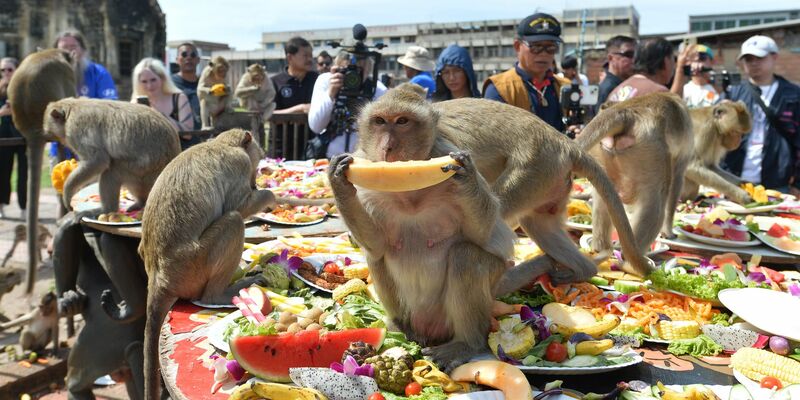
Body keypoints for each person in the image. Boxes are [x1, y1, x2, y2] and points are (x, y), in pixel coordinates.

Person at [722, 35, 800, 195]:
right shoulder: (732, 93)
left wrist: (798, 184)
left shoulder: (793, 95)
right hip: (733, 181)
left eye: (759, 57)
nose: (754, 63)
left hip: (777, 183)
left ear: (774, 57)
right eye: (748, 59)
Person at [483, 12, 565, 132]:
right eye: (536, 47)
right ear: (517, 46)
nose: (543, 53)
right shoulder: (500, 88)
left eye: (550, 47)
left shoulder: (564, 85)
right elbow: (494, 137)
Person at [50, 30, 118, 165]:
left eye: (73, 47)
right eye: (64, 48)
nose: (69, 52)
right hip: (60, 146)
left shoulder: (98, 73)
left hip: (94, 146)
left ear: (83, 50)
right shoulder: (51, 76)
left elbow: (110, 106)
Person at [308, 51, 388, 158]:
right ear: (338, 67)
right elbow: (316, 126)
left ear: (368, 68)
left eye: (359, 71)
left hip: (361, 159)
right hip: (328, 157)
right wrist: (331, 93)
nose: (353, 77)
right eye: (348, 70)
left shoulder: (376, 89)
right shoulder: (327, 80)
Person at [608, 37, 691, 102]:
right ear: (665, 61)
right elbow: (675, 112)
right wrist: (680, 69)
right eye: (674, 59)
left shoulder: (615, 91)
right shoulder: (658, 93)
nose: (674, 65)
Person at [131, 58, 193, 137]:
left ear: (162, 78)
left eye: (153, 80)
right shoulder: (134, 104)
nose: (149, 86)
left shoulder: (179, 98)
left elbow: (188, 134)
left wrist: (158, 113)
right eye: (144, 81)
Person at [0, 57, 26, 219]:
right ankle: (1, 206)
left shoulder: (25, 89)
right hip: (3, 135)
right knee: (2, 172)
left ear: (17, 69)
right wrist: (2, 113)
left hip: (23, 134)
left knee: (25, 175)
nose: (6, 73)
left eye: (9, 69)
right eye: (3, 70)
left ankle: (25, 208)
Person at [272, 36, 318, 115]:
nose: (310, 59)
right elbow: (269, 113)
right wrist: (300, 109)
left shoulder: (317, 79)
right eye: (305, 56)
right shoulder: (274, 82)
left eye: (311, 56)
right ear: (290, 58)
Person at [171, 42, 203, 148]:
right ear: (177, 59)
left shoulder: (206, 84)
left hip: (205, 141)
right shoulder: (169, 84)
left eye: (193, 55)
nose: (188, 58)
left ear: (198, 60)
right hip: (178, 145)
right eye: (184, 54)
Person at [597, 35, 636, 108]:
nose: (633, 60)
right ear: (610, 58)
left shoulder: (624, 85)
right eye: (629, 55)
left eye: (636, 55)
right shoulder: (608, 88)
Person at [681, 44, 719, 108]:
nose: (697, 63)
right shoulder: (684, 89)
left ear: (712, 62)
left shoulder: (716, 89)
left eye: (702, 58)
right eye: (693, 59)